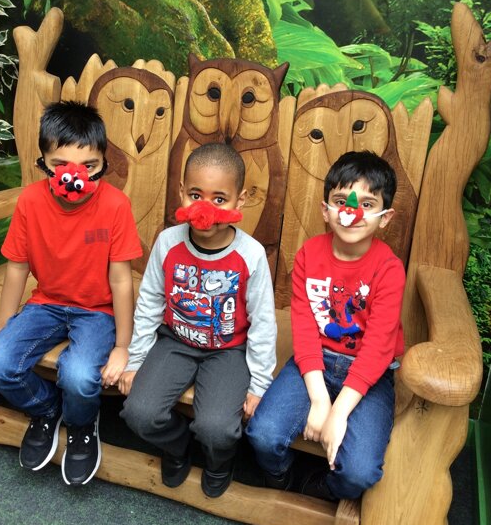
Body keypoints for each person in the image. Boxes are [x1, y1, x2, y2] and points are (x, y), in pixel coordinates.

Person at [0, 101, 142, 486]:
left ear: (103, 162)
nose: (74, 177)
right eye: (61, 165)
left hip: (98, 310)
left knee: (79, 375)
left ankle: (82, 424)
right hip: (46, 303)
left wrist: (123, 346)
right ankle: (46, 409)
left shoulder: (115, 205)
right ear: (44, 163)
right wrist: (5, 324)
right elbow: (17, 267)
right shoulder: (30, 201)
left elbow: (121, 281)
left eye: (88, 166)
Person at [246, 150, 405, 501]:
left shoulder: (389, 269)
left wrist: (339, 412)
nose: (351, 212)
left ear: (385, 218)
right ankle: (282, 477)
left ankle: (319, 487)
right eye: (341, 201)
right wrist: (320, 401)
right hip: (314, 362)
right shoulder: (309, 255)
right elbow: (305, 332)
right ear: (325, 210)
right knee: (263, 436)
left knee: (360, 472)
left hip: (369, 373)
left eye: (367, 204)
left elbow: (378, 348)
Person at [119, 142, 277, 498]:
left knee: (216, 428)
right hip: (176, 341)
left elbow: (264, 324)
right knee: (139, 413)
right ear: (181, 193)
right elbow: (150, 301)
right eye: (195, 195)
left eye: (219, 199)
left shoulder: (250, 255)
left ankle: (220, 461)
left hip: (229, 351)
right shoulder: (168, 242)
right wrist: (135, 360)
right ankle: (178, 446)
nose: (205, 208)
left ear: (240, 200)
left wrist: (259, 385)